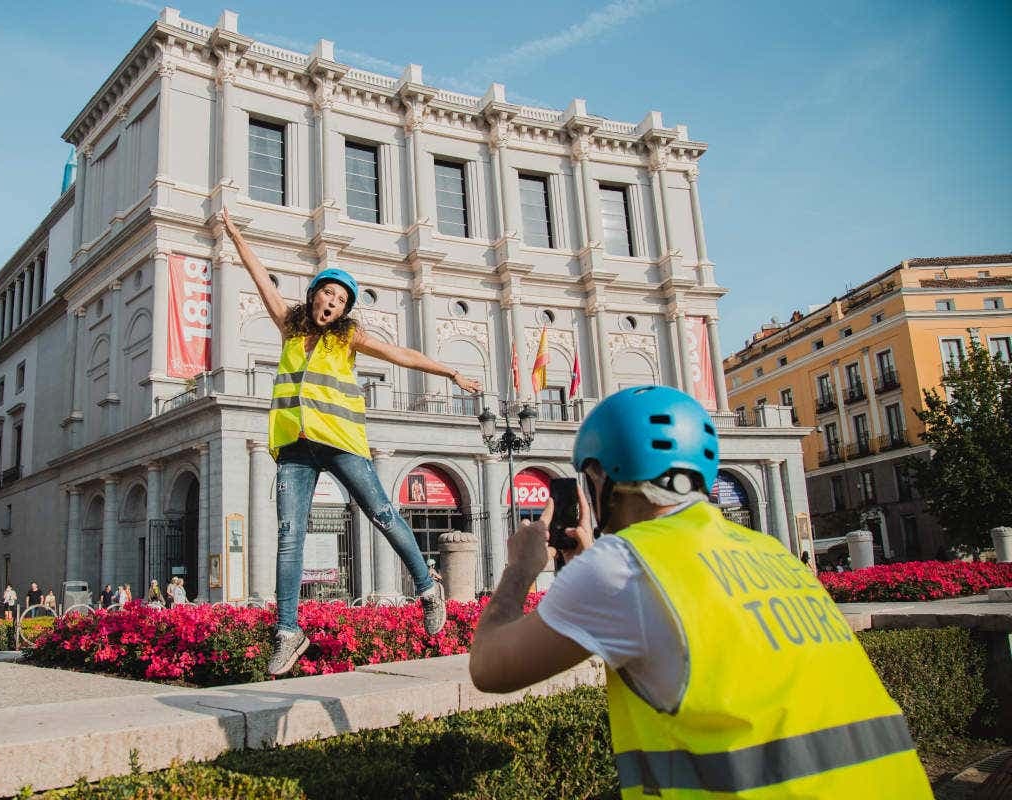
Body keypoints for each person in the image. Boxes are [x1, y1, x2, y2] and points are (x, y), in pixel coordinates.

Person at [468, 386, 932, 798]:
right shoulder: (769, 551)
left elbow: (489, 667)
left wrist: (520, 570)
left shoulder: (623, 566)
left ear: (601, 478)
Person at [222, 209, 482, 676]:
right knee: (288, 537)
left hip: (341, 442)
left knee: (382, 512)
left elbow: (401, 353)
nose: (332, 303)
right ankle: (287, 632)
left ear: (344, 310)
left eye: (341, 300)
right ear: (314, 294)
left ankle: (426, 587)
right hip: (295, 446)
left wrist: (450, 371)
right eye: (328, 293)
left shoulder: (348, 339)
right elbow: (259, 276)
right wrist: (236, 235)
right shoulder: (289, 325)